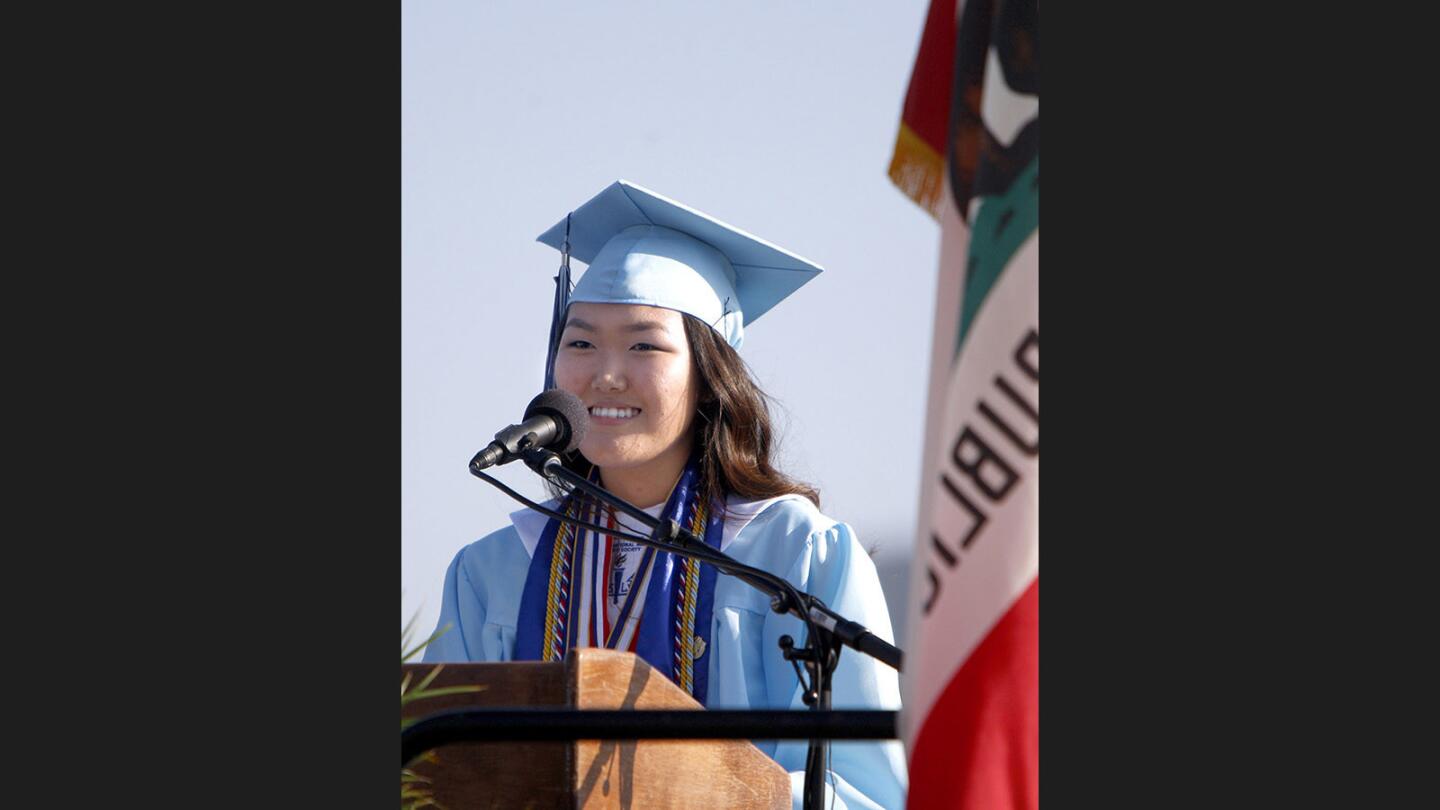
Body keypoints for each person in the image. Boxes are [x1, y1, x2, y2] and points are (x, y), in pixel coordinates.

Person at [423, 180, 906, 809]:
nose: (605, 374)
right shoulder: (491, 572)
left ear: (709, 377)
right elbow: (431, 777)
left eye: (644, 344)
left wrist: (698, 790)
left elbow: (864, 794)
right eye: (581, 342)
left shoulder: (792, 556)